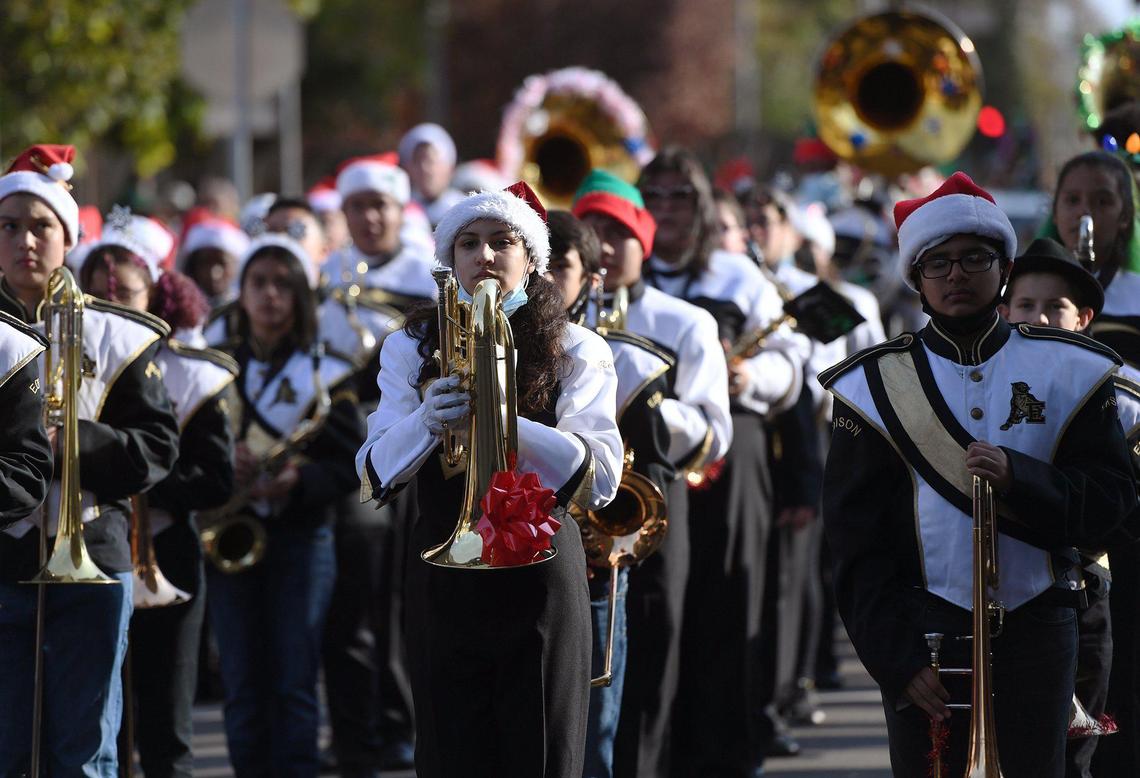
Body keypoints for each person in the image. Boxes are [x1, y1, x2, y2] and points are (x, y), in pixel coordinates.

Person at [820, 172, 1137, 777]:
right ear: (915, 279)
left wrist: (1022, 477)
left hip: (1040, 627)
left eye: (973, 258)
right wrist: (896, 656)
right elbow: (854, 542)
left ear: (1004, 268)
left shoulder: (1071, 370)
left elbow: (1112, 500)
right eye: (936, 264)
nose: (956, 275)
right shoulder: (872, 386)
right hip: (926, 637)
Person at [356, 182, 623, 777]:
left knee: (543, 757)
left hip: (541, 575)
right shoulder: (410, 345)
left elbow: (601, 478)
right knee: (451, 756)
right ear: (449, 262)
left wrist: (504, 416)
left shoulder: (577, 347)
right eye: (468, 244)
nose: (484, 256)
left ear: (530, 259)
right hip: (443, 572)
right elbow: (374, 471)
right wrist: (429, 420)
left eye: (503, 242)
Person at [0, 145, 180, 776]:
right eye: (9, 225)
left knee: (84, 751)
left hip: (95, 559)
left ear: (68, 235)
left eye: (41, 225)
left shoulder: (116, 333)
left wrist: (71, 439)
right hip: (4, 558)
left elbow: (158, 448)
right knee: (9, 749)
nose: (25, 239)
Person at [637, 147, 806, 777]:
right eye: (652, 197)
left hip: (735, 453)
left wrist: (748, 377)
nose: (666, 211)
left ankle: (732, 754)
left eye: (680, 197)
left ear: (704, 205)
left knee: (732, 601)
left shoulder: (740, 277)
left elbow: (795, 363)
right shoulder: (629, 274)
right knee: (660, 608)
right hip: (652, 462)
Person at [568, 171, 734, 777]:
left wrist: (649, 408)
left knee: (653, 651)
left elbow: (717, 429)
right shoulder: (558, 312)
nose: (605, 245)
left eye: (619, 232)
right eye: (592, 229)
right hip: (575, 510)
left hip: (654, 500)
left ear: (645, 239)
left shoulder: (685, 321)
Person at [79, 211, 237, 778]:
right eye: (99, 283)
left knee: (168, 723)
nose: (112, 292)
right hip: (100, 550)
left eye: (127, 282)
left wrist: (136, 471)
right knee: (102, 723)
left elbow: (217, 478)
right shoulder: (78, 363)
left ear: (158, 289)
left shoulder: (192, 373)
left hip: (168, 550)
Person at [207, 233, 364, 777]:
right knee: (242, 681)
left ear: (300, 296)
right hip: (231, 533)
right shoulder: (216, 367)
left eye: (283, 285)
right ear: (242, 293)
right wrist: (224, 463)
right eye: (259, 283)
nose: (271, 296)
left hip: (303, 537)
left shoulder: (328, 372)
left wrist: (301, 479)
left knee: (296, 679)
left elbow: (354, 465)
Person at [996, 236, 1135, 778]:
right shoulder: (986, 390)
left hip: (1088, 585)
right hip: (1010, 586)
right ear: (1003, 312)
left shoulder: (1116, 390)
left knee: (1076, 747)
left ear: (1084, 319)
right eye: (1026, 305)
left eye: (1057, 306)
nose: (1041, 317)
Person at [318, 151, 438, 774]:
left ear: (400, 210)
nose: (369, 218)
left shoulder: (430, 275)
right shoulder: (327, 274)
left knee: (406, 590)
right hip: (348, 456)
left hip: (415, 452)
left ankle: (404, 721)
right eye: (357, 207)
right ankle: (353, 727)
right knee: (355, 597)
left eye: (381, 206)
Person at [397, 123, 466, 227]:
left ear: (449, 166)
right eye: (418, 161)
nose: (424, 169)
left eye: (431, 161)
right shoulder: (402, 213)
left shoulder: (465, 209)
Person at [180, 217, 250, 312]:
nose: (214, 274)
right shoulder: (181, 310)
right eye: (205, 263)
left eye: (222, 263)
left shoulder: (248, 313)